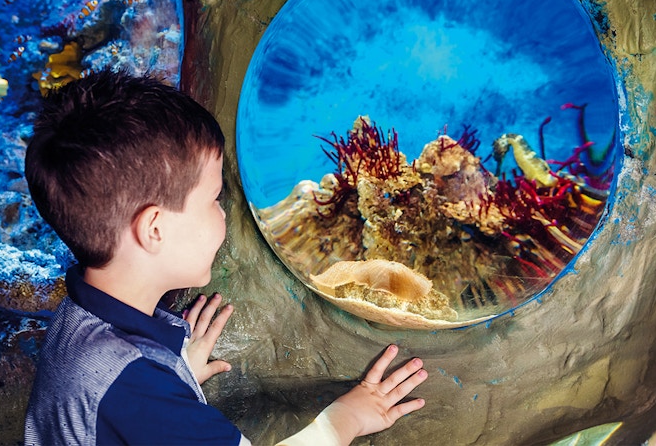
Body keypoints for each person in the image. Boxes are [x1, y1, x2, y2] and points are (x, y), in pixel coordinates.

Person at [23, 70, 428, 445]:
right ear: (155, 230)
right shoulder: (133, 387)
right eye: (213, 200)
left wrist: (176, 371)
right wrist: (344, 419)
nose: (223, 214)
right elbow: (127, 396)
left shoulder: (78, 320)